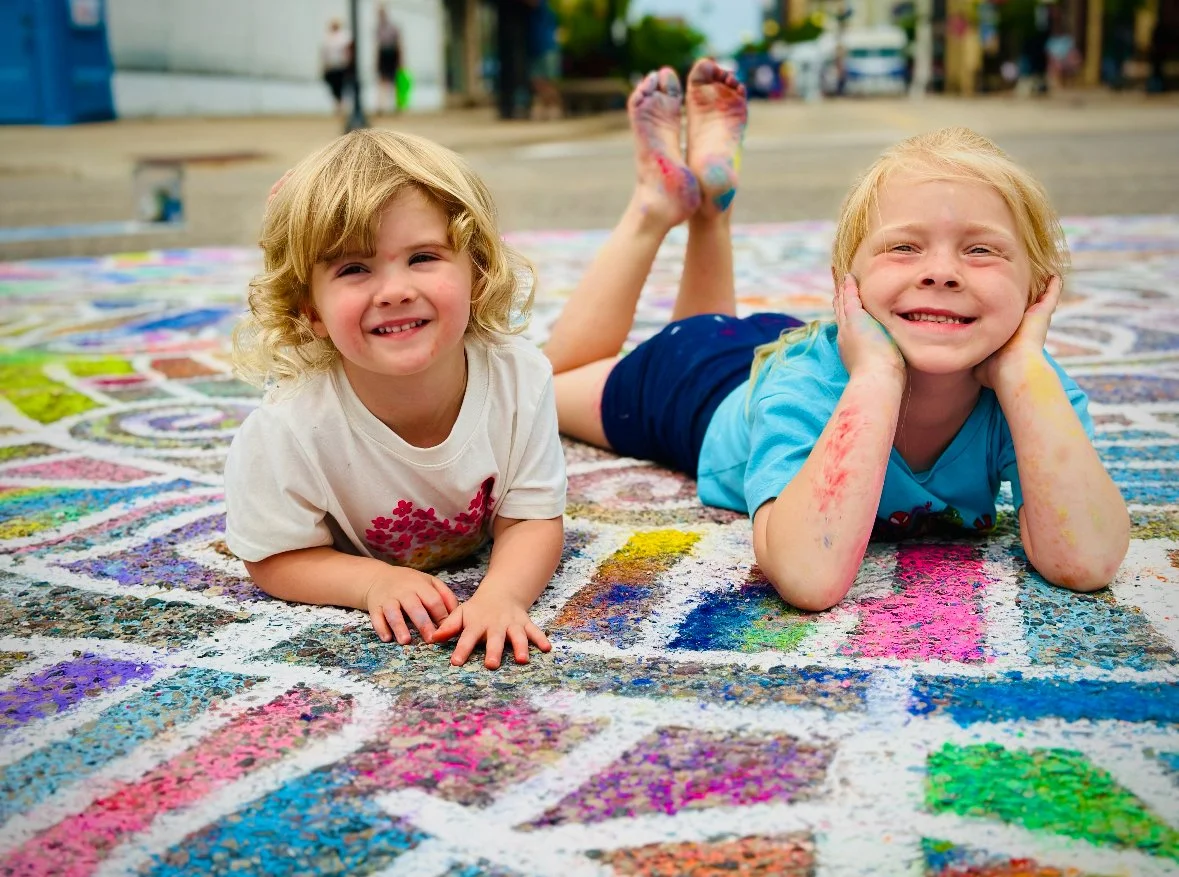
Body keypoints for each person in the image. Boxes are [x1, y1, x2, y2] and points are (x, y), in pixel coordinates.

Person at [543, 59, 1130, 613]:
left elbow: (1087, 560)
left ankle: (710, 209)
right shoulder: (803, 386)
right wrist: (876, 374)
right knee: (541, 386)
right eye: (904, 247)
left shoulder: (1030, 387)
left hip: (799, 344)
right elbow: (808, 576)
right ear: (846, 286)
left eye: (981, 250)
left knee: (695, 326)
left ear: (1037, 291)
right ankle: (655, 205)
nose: (941, 271)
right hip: (696, 383)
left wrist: (1024, 368)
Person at [225, 130, 567, 669]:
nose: (394, 290)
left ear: (476, 273)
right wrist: (371, 583)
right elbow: (274, 557)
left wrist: (503, 595)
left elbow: (531, 520)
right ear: (308, 310)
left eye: (423, 257)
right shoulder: (288, 429)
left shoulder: (519, 379)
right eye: (353, 269)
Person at [321, 18, 354, 116]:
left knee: (342, 86)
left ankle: (341, 106)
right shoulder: (328, 37)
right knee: (334, 87)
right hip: (332, 66)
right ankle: (338, 105)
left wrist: (348, 62)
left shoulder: (344, 36)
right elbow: (324, 53)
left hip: (341, 65)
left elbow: (348, 50)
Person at [376, 6, 404, 113]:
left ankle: (397, 105)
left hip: (392, 54)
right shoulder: (378, 28)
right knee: (382, 81)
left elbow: (398, 44)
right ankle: (382, 106)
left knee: (395, 81)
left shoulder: (393, 28)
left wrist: (400, 59)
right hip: (383, 55)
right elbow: (378, 46)